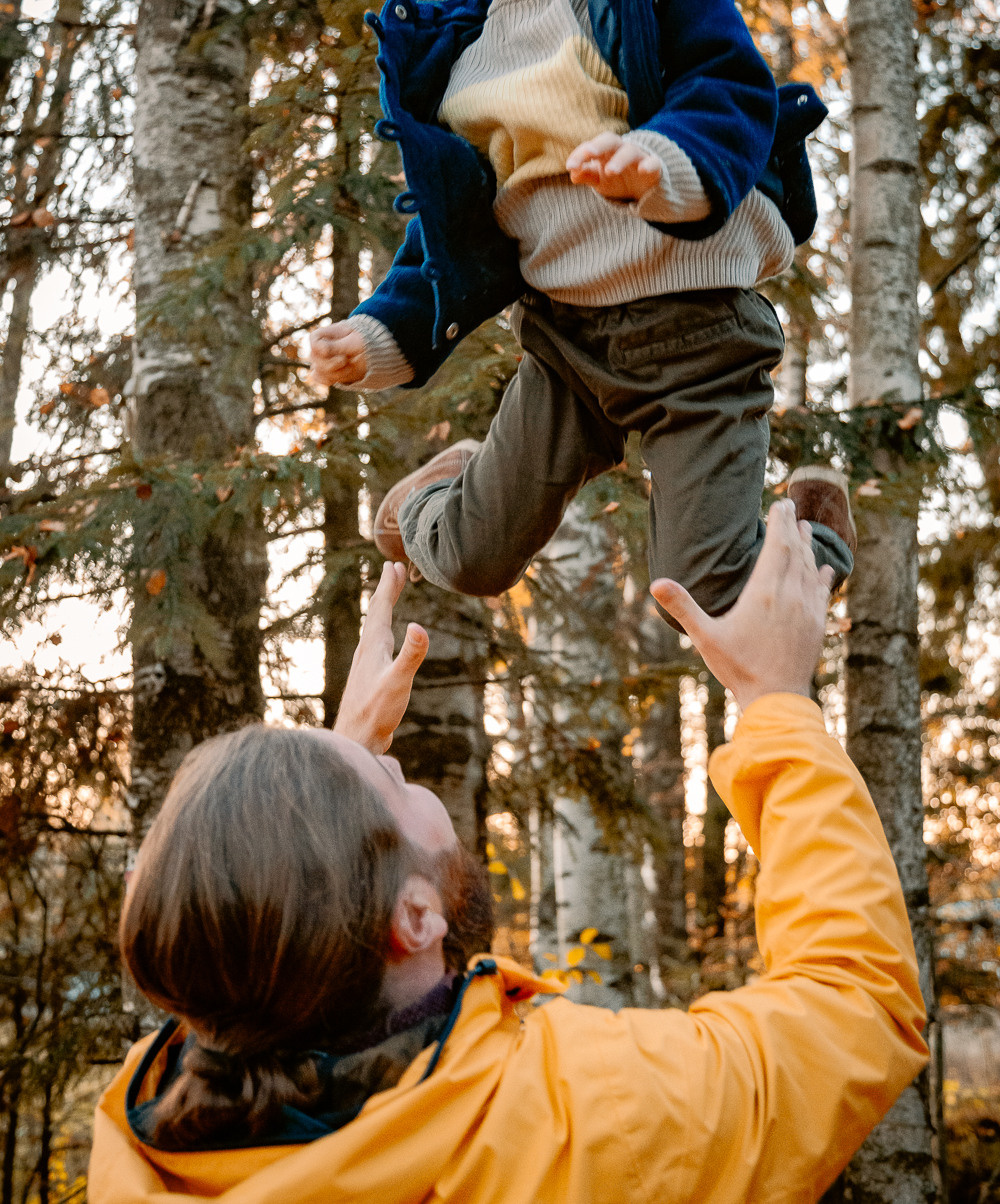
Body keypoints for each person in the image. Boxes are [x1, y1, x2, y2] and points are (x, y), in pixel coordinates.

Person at [89, 502, 927, 1204]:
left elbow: (252, 943)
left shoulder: (143, 1136)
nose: (395, 758)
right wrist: (775, 701)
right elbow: (854, 1008)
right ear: (412, 918)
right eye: (389, 781)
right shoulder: (591, 1120)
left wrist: (320, 805)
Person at [309, 0, 856, 621]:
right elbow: (451, 237)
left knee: (708, 602)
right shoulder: (463, 65)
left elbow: (728, 84)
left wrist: (662, 158)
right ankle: (434, 499)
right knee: (476, 560)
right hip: (566, 348)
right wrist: (377, 333)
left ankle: (813, 535)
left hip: (699, 335)